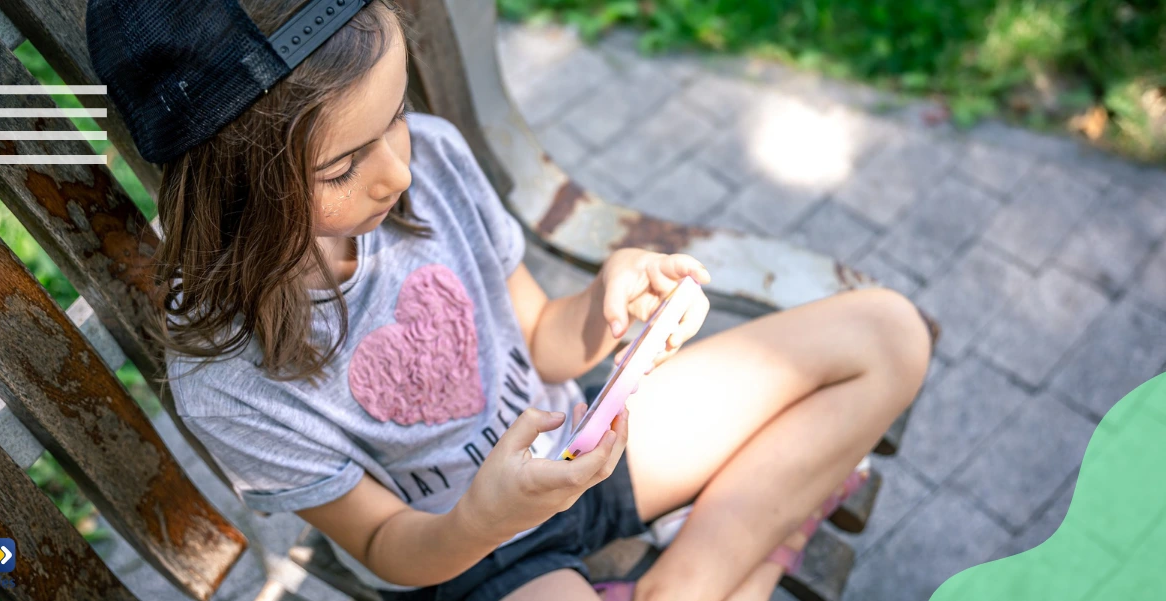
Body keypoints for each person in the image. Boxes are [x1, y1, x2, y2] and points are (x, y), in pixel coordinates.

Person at [87, 1, 931, 599]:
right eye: (344, 167)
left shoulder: (440, 165)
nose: (400, 170)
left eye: (398, 114)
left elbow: (543, 338)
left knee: (886, 334)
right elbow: (383, 544)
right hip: (469, 559)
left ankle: (687, 582)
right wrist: (483, 517)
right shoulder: (231, 380)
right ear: (235, 191)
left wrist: (602, 307)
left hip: (583, 442)